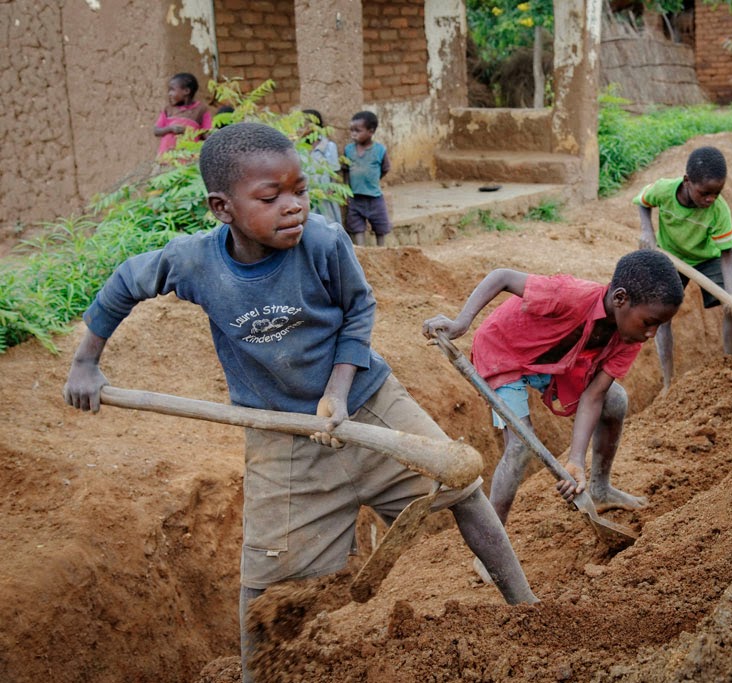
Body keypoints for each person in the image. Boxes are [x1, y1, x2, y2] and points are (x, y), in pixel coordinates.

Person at [62, 122, 537, 682]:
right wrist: (85, 362)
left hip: (369, 402)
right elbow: (124, 282)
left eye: (300, 191)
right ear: (223, 208)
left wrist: (336, 391)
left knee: (464, 489)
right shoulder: (195, 263)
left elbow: (358, 311)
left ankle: (528, 612)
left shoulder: (323, 241)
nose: (293, 207)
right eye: (271, 197)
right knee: (268, 583)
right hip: (283, 439)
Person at [422, 251, 682, 536]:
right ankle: (492, 542)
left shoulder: (629, 337)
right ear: (620, 299)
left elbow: (595, 395)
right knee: (520, 446)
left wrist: (576, 461)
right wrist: (461, 323)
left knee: (615, 400)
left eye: (659, 325)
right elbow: (502, 276)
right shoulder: (569, 294)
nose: (652, 333)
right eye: (649, 322)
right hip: (503, 353)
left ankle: (600, 489)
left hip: (555, 360)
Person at [634, 145, 732, 392]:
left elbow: (727, 253)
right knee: (660, 314)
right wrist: (647, 231)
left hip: (707, 258)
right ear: (687, 182)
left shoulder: (718, 209)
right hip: (671, 257)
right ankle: (668, 382)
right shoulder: (664, 190)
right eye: (705, 193)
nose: (711, 199)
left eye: (717, 192)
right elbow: (642, 202)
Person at [342, 111, 392, 247]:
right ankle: (361, 252)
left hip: (374, 197)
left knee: (380, 225)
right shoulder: (349, 150)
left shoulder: (380, 150)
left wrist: (374, 178)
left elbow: (385, 168)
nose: (353, 134)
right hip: (355, 198)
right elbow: (345, 170)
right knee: (356, 226)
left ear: (371, 131)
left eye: (357, 131)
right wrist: (346, 189)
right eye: (351, 130)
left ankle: (382, 250)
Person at [301, 109, 344, 228]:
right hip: (306, 194)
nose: (302, 128)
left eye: (305, 124)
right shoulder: (299, 148)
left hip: (325, 193)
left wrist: (331, 187)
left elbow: (334, 170)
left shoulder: (328, 147)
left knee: (329, 223)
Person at [153, 72, 212, 156]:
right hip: (166, 157)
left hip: (188, 157)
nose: (169, 93)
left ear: (186, 91)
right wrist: (170, 129)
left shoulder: (201, 110)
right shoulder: (168, 109)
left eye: (172, 89)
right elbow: (156, 130)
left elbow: (207, 133)